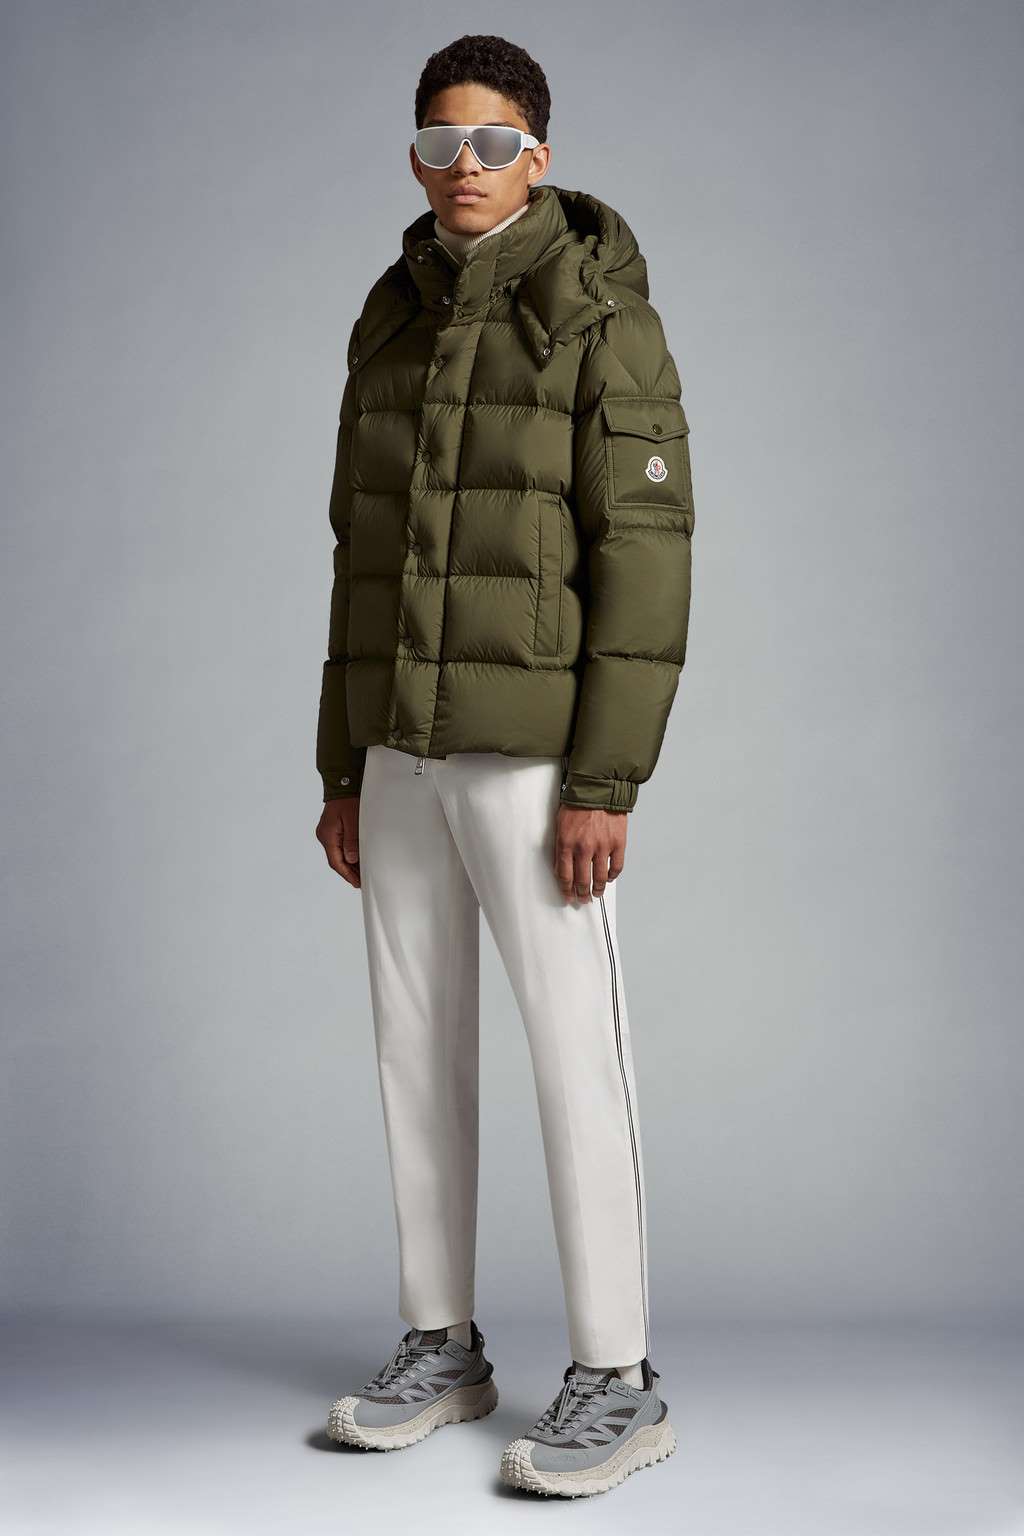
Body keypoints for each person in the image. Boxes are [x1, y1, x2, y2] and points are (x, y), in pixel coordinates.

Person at [314, 33, 694, 1498]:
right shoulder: (392, 318)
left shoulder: (605, 321)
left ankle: (619, 1378)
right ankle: (442, 1342)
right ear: (416, 158)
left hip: (535, 760)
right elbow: (358, 559)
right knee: (413, 1047)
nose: (461, 166)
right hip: (400, 748)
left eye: (489, 142)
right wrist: (343, 764)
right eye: (439, 141)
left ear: (538, 155)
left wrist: (605, 781)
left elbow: (645, 563)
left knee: (574, 1056)